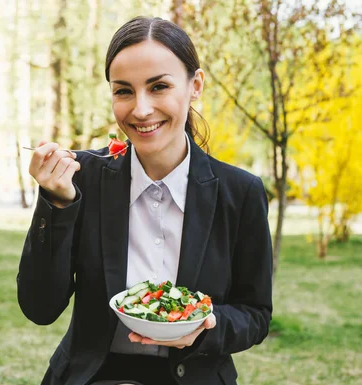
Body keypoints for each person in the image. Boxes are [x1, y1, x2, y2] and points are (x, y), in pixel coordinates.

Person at [17, 16, 273, 385]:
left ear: (195, 85)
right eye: (123, 91)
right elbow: (39, 308)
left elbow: (255, 314)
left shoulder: (241, 192)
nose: (140, 110)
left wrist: (207, 326)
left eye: (159, 87)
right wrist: (57, 206)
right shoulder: (80, 178)